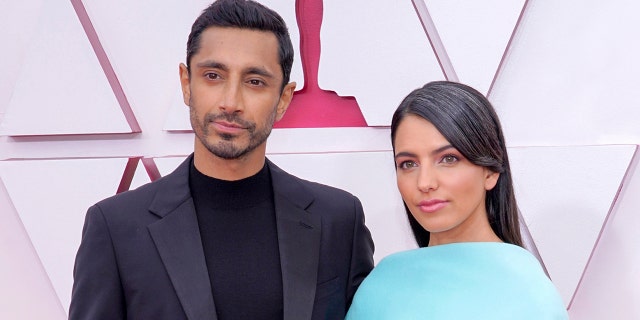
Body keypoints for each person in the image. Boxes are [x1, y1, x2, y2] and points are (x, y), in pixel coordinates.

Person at [69, 0, 374, 319]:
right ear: (187, 83)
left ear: (283, 99)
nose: (231, 102)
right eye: (213, 75)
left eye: (255, 82)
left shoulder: (338, 220)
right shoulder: (116, 228)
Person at [345, 81, 568, 319]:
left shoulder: (530, 294)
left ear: (490, 171)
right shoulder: (381, 283)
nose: (424, 182)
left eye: (448, 159)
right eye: (408, 164)